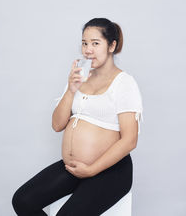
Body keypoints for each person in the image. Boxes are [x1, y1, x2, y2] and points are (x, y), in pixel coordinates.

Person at [12, 17, 143, 216]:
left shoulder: (124, 83)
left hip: (111, 171)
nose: (88, 50)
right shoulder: (79, 77)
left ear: (112, 46)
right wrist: (71, 90)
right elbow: (57, 125)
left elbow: (130, 140)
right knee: (22, 201)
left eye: (95, 43)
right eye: (84, 43)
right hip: (74, 168)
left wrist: (91, 170)